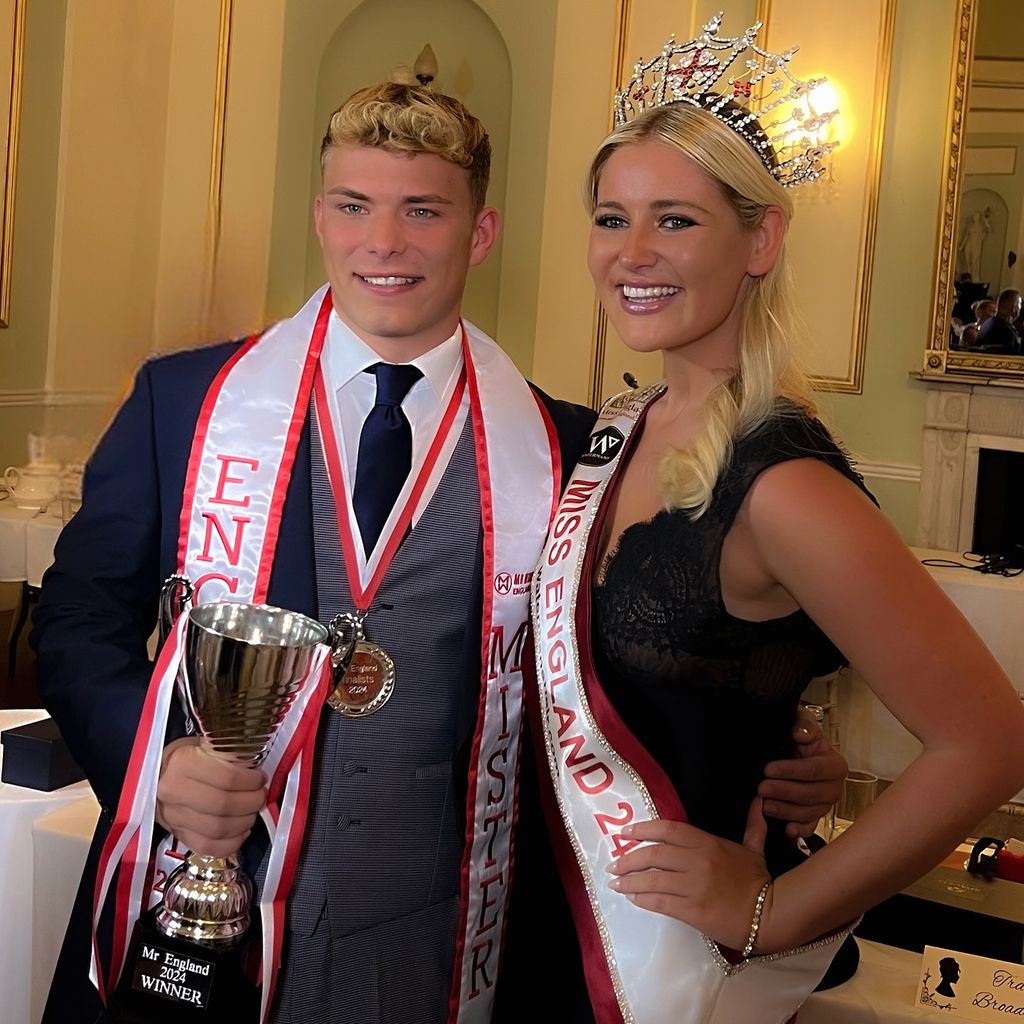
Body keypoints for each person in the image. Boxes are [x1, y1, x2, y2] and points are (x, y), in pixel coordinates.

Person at [31, 82, 843, 1024]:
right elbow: (79, 615)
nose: (384, 243)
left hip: (440, 931)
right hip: (206, 907)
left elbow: (637, 657)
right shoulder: (190, 404)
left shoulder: (564, 445)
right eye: (354, 206)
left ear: (481, 232)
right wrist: (154, 761)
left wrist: (775, 748)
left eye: (423, 210)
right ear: (320, 217)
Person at [519, 17, 1024, 1024]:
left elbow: (987, 740)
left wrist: (774, 911)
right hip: (546, 924)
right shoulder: (616, 429)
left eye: (676, 219)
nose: (633, 253)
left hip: (669, 969)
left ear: (761, 239)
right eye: (611, 217)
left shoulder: (785, 485)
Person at [977, 287, 1022, 354]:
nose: (1020, 308)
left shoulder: (986, 323)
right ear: (1014, 308)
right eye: (1020, 304)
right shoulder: (1007, 331)